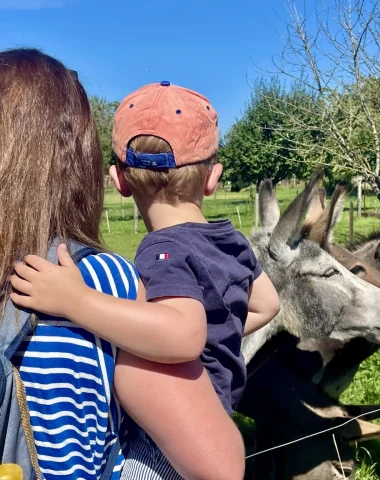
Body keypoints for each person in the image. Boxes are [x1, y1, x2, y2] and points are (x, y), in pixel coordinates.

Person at [11, 82, 280, 478]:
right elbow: (266, 304)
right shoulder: (230, 239)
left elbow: (183, 336)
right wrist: (216, 330)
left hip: (164, 442)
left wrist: (76, 301)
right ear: (213, 178)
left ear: (118, 182)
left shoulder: (161, 251)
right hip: (216, 408)